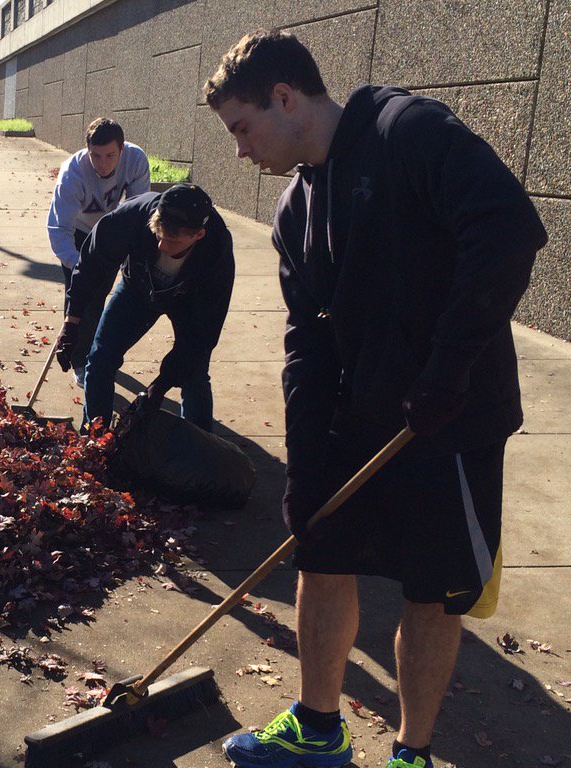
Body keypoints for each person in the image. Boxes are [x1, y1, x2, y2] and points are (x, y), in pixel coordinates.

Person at [204, 29, 547, 768]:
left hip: (449, 421)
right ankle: (318, 730)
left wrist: (447, 370)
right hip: (358, 416)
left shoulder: (407, 131)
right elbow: (307, 341)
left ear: (285, 98)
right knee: (321, 554)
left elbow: (508, 231)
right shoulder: (296, 208)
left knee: (432, 591)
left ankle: (412, 754)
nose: (240, 151)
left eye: (242, 127)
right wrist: (304, 463)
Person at [56, 183, 235, 432]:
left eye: (172, 241)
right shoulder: (131, 217)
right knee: (100, 359)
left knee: (194, 374)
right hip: (137, 288)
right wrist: (72, 321)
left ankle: (200, 445)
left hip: (190, 300)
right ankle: (95, 439)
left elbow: (203, 334)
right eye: (158, 235)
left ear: (198, 235)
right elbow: (90, 266)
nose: (161, 246)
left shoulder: (216, 251)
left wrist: (161, 385)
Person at [46, 118, 150, 386]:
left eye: (110, 156)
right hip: (78, 233)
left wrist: (131, 252)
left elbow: (139, 212)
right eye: (95, 155)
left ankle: (100, 353)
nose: (102, 164)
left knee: (103, 295)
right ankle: (80, 360)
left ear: (122, 149)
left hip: (111, 230)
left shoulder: (135, 160)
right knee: (81, 297)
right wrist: (79, 268)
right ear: (87, 150)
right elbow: (59, 229)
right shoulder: (72, 173)